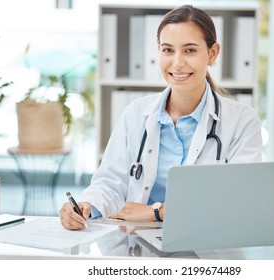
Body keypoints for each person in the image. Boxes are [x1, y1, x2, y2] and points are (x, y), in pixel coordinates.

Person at [60, 5, 262, 230]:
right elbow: (110, 183)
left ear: (212, 53)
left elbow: (238, 200)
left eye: (190, 50)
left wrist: (157, 212)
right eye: (167, 50)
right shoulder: (136, 113)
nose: (177, 63)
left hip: (209, 245)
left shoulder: (242, 121)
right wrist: (87, 205)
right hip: (137, 242)